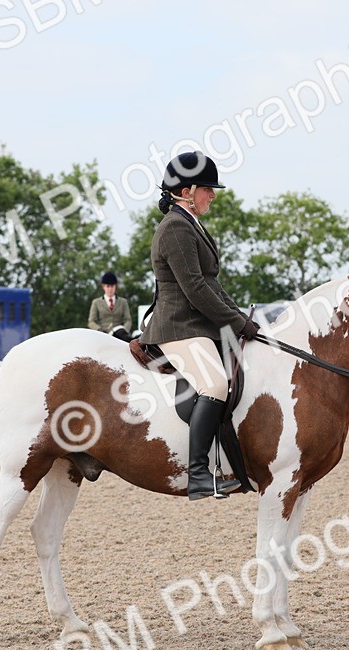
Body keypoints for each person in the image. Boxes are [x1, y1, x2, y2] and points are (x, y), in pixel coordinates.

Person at [140, 151, 259, 500]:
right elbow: (194, 289)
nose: (214, 195)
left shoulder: (190, 223)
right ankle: (198, 475)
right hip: (179, 326)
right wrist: (235, 322)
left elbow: (212, 284)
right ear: (188, 190)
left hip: (198, 325)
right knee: (216, 384)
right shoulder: (176, 228)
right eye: (208, 189)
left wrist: (240, 319)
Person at [88, 272, 132, 341]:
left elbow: (128, 320)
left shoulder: (123, 302)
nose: (110, 289)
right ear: (103, 287)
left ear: (115, 286)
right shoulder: (96, 302)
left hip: (120, 334)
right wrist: (99, 329)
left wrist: (124, 330)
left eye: (112, 286)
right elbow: (91, 321)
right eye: (108, 286)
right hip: (103, 334)